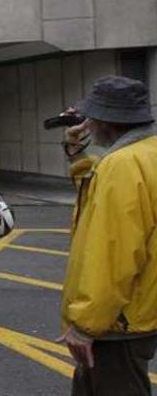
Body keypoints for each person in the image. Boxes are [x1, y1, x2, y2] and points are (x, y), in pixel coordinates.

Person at [58, 76, 157, 396]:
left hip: (117, 323)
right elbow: (99, 202)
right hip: (137, 313)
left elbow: (113, 253)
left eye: (91, 115)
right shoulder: (146, 154)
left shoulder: (122, 165)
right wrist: (77, 154)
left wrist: (86, 325)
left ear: (104, 119)